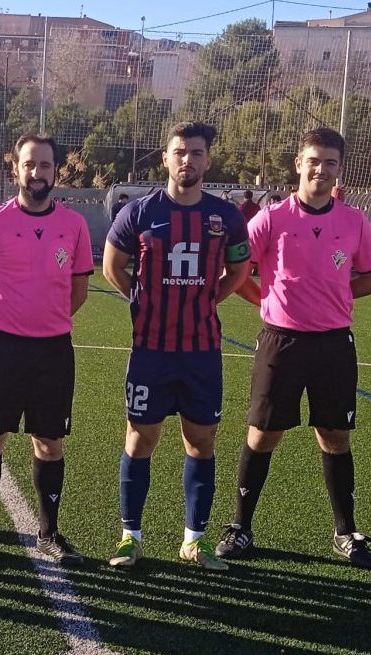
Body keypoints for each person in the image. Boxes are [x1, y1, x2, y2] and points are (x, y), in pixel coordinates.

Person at [215, 127, 371, 568]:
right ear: (298, 164)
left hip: (333, 344)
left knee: (334, 435)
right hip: (281, 341)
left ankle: (346, 531)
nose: (321, 169)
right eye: (313, 160)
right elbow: (238, 269)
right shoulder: (272, 218)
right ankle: (240, 527)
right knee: (263, 433)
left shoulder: (353, 221)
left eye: (330, 162)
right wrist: (263, 299)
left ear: (339, 169)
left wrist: (339, 296)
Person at [102, 122, 251, 570]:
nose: (188, 160)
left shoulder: (226, 216)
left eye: (197, 153)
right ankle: (130, 536)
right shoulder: (139, 213)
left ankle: (195, 540)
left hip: (201, 350)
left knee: (200, 440)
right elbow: (112, 266)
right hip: (150, 349)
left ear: (208, 160)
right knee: (140, 437)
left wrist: (209, 298)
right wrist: (142, 301)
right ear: (165, 157)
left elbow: (239, 273)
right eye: (180, 152)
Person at [0, 134, 94, 568]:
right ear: (15, 168)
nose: (37, 173)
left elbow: (78, 292)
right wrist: (7, 324)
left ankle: (49, 532)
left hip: (54, 351)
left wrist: (45, 322)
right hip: (1, 348)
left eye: (45, 165)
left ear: (56, 171)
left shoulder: (73, 226)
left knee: (50, 442)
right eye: (30, 164)